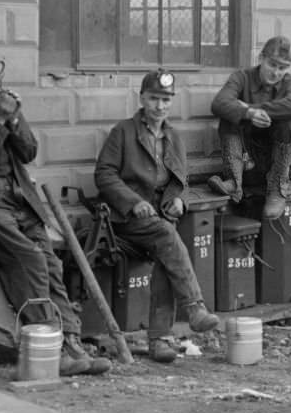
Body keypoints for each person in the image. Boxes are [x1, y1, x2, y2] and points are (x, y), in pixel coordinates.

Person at [0, 47, 109, 376]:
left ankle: (71, 340)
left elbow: (29, 150)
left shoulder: (0, 103)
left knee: (50, 263)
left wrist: (15, 117)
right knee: (28, 259)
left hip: (22, 200)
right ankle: (49, 344)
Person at [94, 70, 221, 363]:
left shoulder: (173, 137)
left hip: (160, 220)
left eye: (165, 100)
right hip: (125, 220)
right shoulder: (123, 132)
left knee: (168, 248)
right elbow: (104, 174)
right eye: (154, 98)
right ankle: (194, 309)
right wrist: (133, 202)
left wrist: (180, 200)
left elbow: (181, 181)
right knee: (168, 237)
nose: (159, 106)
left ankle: (160, 340)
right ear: (141, 98)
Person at [209, 36, 291, 220]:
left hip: (278, 165)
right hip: (246, 164)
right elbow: (219, 103)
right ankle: (234, 182)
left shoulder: (290, 83)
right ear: (261, 58)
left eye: (282, 67)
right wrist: (248, 114)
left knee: (288, 123)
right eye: (272, 64)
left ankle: (277, 190)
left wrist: (249, 108)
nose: (276, 72)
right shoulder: (241, 77)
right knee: (229, 117)